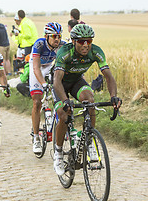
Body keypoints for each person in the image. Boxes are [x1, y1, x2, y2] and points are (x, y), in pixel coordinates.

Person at [52, 24, 122, 175]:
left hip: (77, 82)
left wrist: (113, 97)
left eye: (88, 41)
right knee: (64, 115)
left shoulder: (96, 51)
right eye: (81, 41)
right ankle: (58, 153)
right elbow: (57, 81)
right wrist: (65, 101)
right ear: (73, 41)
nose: (85, 45)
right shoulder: (65, 52)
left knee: (90, 101)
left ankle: (89, 139)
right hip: (61, 85)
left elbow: (108, 76)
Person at [30, 22, 66, 154]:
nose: (57, 39)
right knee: (37, 101)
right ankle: (36, 137)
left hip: (50, 67)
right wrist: (43, 84)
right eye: (54, 36)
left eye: (59, 36)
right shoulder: (39, 44)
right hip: (38, 67)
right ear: (46, 36)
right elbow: (36, 68)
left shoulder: (63, 45)